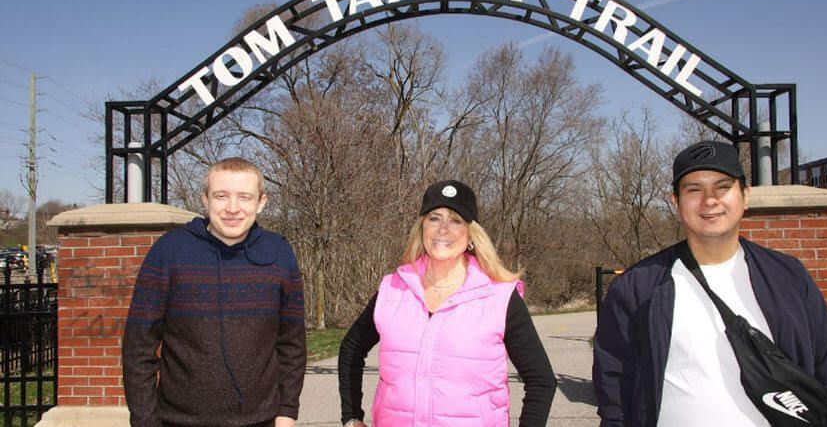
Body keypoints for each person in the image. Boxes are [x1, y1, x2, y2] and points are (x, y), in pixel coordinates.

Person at [592, 140, 827, 426]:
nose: (709, 200)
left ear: (745, 195)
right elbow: (614, 390)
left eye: (722, 187)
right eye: (694, 190)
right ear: (676, 201)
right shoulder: (637, 287)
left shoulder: (788, 276)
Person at [338, 179, 557, 427]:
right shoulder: (393, 289)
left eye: (455, 220)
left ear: (471, 234)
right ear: (422, 228)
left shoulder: (499, 298)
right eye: (434, 218)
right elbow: (351, 349)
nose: (443, 228)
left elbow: (542, 381)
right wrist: (352, 417)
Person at [123, 157, 306, 427]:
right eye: (221, 196)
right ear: (205, 199)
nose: (233, 208)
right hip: (178, 421)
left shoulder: (278, 253)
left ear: (261, 202)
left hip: (262, 421)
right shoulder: (169, 251)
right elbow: (138, 347)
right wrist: (145, 421)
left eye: (244, 197)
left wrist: (287, 411)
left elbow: (292, 344)